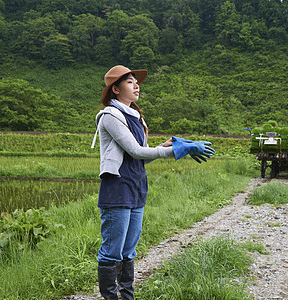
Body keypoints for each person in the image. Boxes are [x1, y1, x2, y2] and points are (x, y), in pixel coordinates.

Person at [91, 65, 215, 300]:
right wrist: (176, 151)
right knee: (112, 251)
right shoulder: (110, 116)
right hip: (117, 188)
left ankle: (127, 296)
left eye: (136, 82)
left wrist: (168, 145)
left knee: (128, 250)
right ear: (115, 90)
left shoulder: (137, 117)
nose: (136, 85)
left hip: (137, 187)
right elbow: (136, 151)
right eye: (129, 82)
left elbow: (141, 158)